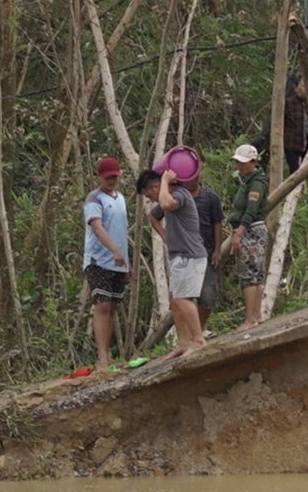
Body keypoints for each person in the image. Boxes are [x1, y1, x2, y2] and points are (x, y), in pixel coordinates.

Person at [141, 164, 208, 356]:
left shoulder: (179, 194)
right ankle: (183, 342)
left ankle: (198, 339)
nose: (150, 199)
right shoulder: (168, 197)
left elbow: (166, 205)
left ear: (155, 187)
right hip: (180, 255)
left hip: (190, 255)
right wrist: (165, 236)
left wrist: (164, 180)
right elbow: (153, 216)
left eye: (149, 194)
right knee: (174, 299)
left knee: (182, 298)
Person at [82, 156, 130, 372]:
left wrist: (126, 261)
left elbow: (122, 230)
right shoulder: (94, 199)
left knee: (112, 307)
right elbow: (97, 227)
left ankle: (108, 356)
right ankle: (101, 358)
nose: (112, 180)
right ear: (100, 176)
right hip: (99, 259)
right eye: (108, 177)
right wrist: (113, 251)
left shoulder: (120, 198)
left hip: (119, 262)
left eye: (115, 177)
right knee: (101, 305)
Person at [224, 142, 269, 332]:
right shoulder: (248, 180)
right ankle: (256, 315)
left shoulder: (256, 183)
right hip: (251, 229)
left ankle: (250, 318)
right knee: (255, 273)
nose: (240, 166)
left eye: (244, 163)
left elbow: (251, 210)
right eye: (238, 162)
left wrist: (238, 233)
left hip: (251, 230)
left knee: (249, 274)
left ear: (253, 162)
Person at [192, 169, 225, 329]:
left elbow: (217, 223)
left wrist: (218, 249)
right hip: (186, 256)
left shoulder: (210, 197)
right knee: (183, 299)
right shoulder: (177, 197)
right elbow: (155, 215)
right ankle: (190, 335)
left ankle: (199, 329)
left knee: (208, 296)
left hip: (207, 253)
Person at [283, 76, 308, 173]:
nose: (305, 89)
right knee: (294, 171)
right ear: (296, 88)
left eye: (307, 87)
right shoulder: (288, 102)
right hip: (292, 143)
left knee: (307, 170)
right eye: (302, 86)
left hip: (307, 142)